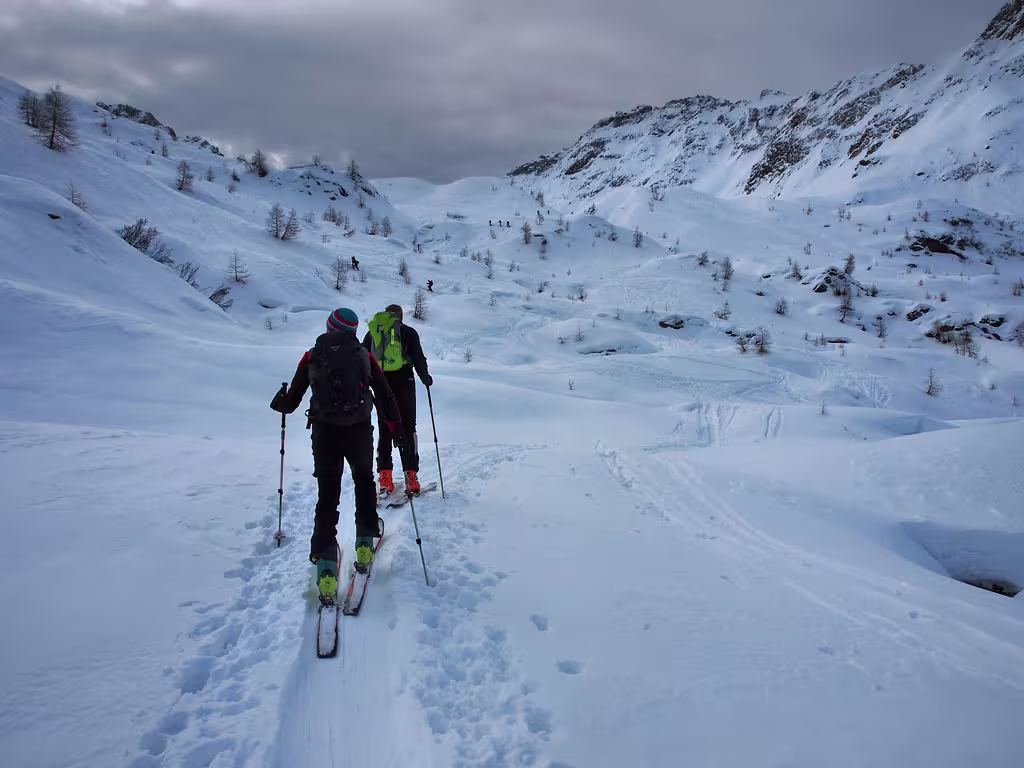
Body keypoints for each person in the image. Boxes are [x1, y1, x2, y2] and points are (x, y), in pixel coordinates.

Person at [271, 308, 402, 596]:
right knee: (364, 482)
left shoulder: (312, 355)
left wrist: (279, 401)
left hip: (324, 432)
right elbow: (384, 393)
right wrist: (395, 427)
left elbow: (291, 401)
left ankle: (327, 566)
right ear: (354, 330)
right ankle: (365, 544)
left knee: (327, 494)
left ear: (330, 327)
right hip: (358, 431)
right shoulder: (364, 356)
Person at [362, 304, 432, 495]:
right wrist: (425, 378)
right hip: (404, 381)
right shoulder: (408, 332)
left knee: (385, 428)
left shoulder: (372, 333)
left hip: (380, 382)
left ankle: (385, 478)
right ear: (400, 316)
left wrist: (365, 383)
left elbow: (362, 358)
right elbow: (418, 357)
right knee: (408, 427)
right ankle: (411, 477)